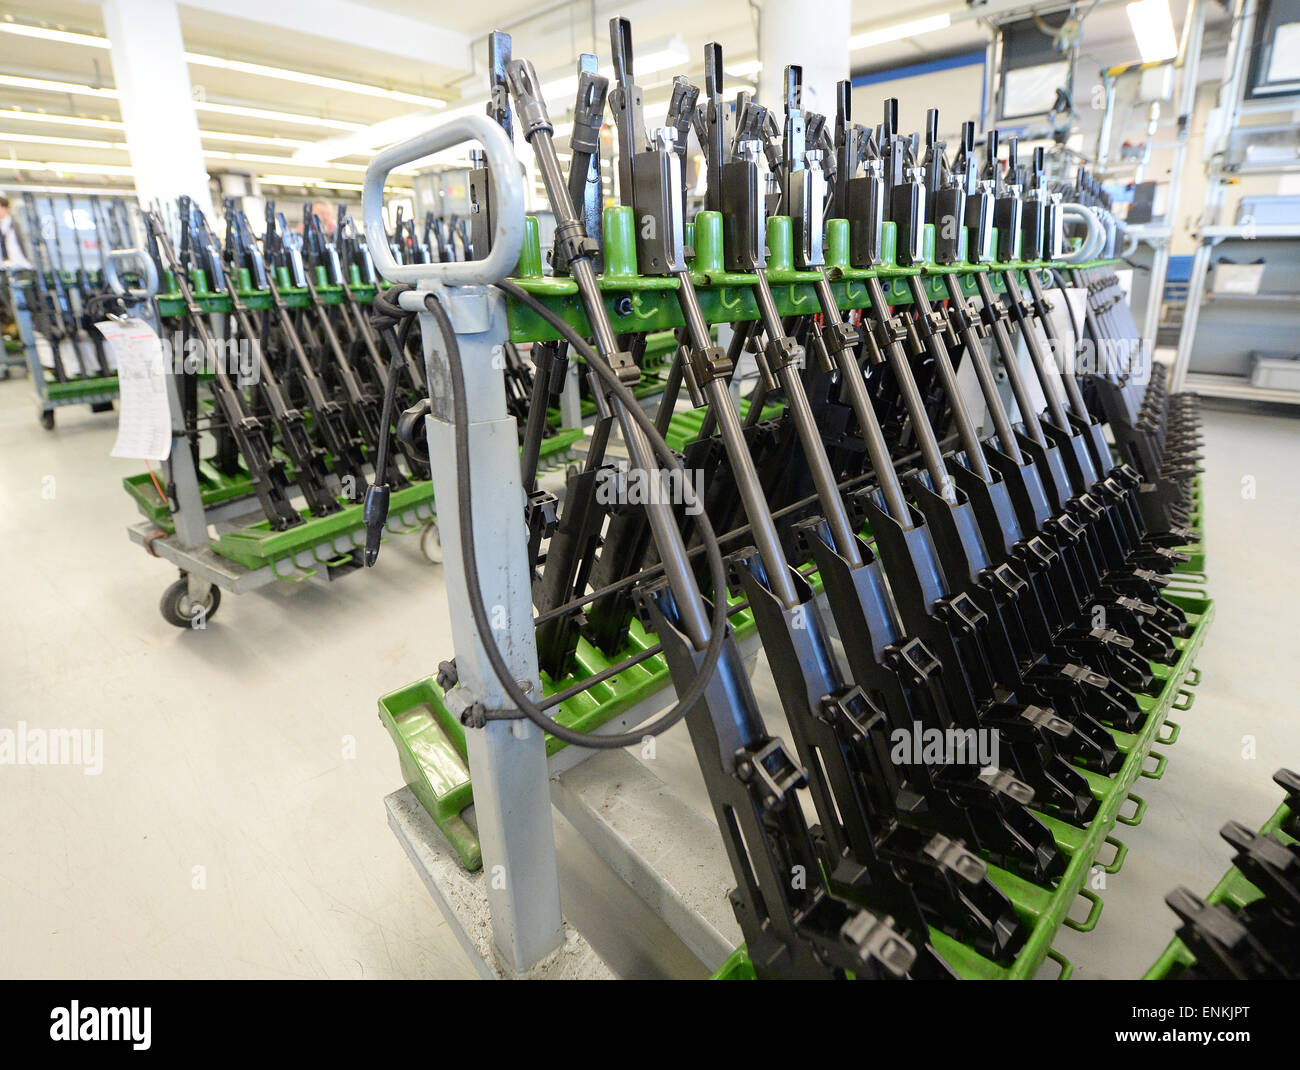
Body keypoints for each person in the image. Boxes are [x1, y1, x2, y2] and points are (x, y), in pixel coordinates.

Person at [0, 196, 34, 270]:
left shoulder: (17, 224)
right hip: (3, 268)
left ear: (5, 208)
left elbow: (27, 243)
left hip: (22, 265)